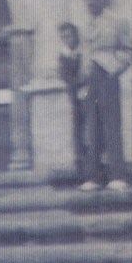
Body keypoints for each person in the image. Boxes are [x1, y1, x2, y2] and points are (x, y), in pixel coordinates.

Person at [79, 0, 132, 191]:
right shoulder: (85, 25)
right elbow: (85, 54)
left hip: (107, 76)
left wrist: (112, 68)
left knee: (111, 125)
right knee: (91, 127)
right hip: (89, 79)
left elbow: (127, 51)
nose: (89, 2)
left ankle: (117, 175)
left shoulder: (118, 21)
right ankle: (93, 177)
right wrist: (83, 80)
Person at [57, 22, 86, 177]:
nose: (66, 39)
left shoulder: (84, 53)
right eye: (63, 37)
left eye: (68, 35)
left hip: (90, 93)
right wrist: (76, 84)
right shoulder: (63, 56)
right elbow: (63, 75)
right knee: (77, 128)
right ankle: (81, 167)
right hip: (74, 96)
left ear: (75, 35)